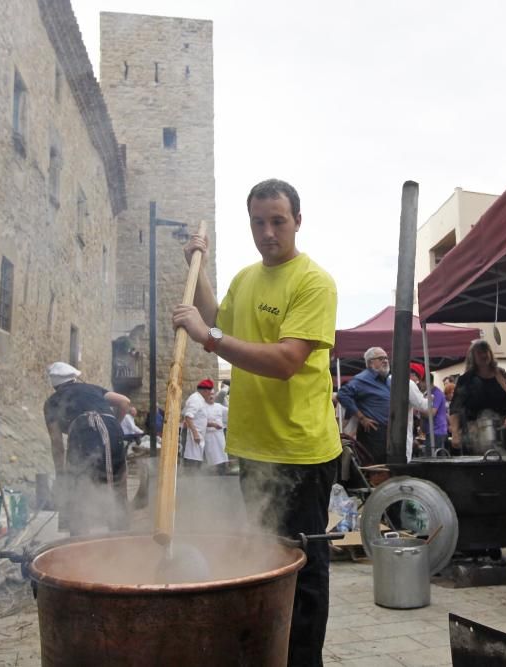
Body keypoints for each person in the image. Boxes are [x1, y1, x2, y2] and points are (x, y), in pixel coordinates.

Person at [171, 178, 340, 667]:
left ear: (298, 222)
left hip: (301, 452)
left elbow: (287, 359)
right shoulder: (247, 278)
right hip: (254, 447)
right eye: (258, 222)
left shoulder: (313, 282)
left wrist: (209, 338)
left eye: (278, 221)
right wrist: (196, 270)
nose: (267, 232)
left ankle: (304, 662)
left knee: (303, 573)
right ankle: (272, 655)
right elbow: (220, 316)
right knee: (266, 563)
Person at [43, 362, 131, 535]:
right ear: (74, 379)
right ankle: (120, 538)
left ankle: (80, 540)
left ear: (55, 386)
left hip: (85, 431)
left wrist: (61, 474)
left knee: (79, 487)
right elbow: (124, 402)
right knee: (117, 483)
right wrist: (114, 423)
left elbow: (57, 443)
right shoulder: (92, 388)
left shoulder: (52, 402)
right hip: (112, 431)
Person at [448, 339, 506, 455]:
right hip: (475, 437)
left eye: (486, 351)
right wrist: (455, 433)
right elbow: (455, 408)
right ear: (472, 357)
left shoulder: (501, 374)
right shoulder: (466, 380)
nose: (484, 355)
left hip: (504, 435)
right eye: (479, 352)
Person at [337, 347, 391, 464]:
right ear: (371, 362)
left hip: (388, 432)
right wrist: (361, 418)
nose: (386, 361)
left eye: (386, 358)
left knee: (387, 466)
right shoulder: (362, 379)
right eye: (381, 358)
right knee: (375, 467)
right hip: (373, 433)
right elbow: (342, 394)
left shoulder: (386, 380)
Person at [182, 378, 214, 470]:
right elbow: (188, 416)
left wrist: (211, 424)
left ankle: (194, 479)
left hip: (198, 436)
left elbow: (199, 418)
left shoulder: (200, 399)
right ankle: (190, 481)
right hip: (193, 436)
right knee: (192, 462)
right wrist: (195, 433)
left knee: (197, 460)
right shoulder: (196, 399)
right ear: (205, 391)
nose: (210, 394)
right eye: (210, 392)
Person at [405, 362, 432, 461]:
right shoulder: (409, 383)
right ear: (413, 375)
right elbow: (423, 406)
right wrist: (430, 399)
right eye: (418, 380)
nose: (417, 383)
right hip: (402, 430)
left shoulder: (389, 379)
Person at [420, 370, 449, 455]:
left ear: (426, 381)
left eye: (421, 382)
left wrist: (419, 410)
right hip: (432, 432)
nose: (419, 384)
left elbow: (432, 413)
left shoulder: (437, 393)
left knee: (434, 462)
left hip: (437, 433)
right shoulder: (428, 393)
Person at [203, 389, 230, 474]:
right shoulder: (202, 408)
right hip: (209, 436)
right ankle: (212, 472)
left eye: (212, 394)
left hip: (219, 435)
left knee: (222, 454)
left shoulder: (219, 406)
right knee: (212, 456)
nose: (211, 396)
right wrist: (213, 425)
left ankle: (223, 470)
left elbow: (229, 413)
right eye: (209, 394)